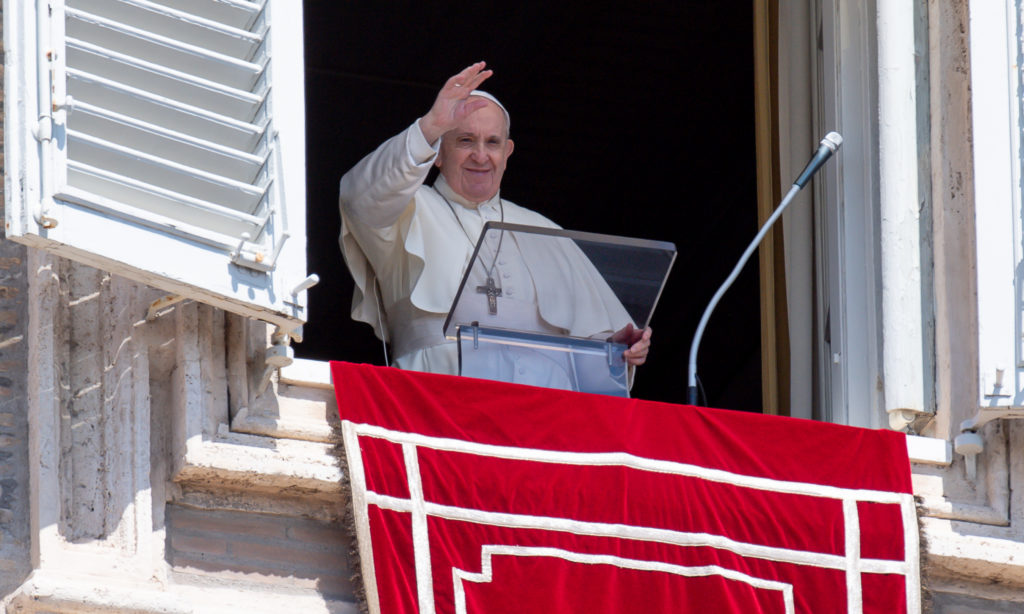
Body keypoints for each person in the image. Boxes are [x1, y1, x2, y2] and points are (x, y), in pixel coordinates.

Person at [338, 61, 652, 387]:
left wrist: (615, 350)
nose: (480, 155)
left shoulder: (544, 229)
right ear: (438, 153)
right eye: (465, 141)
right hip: (437, 392)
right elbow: (359, 198)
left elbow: (590, 353)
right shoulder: (406, 208)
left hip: (541, 407)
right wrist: (430, 126)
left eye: (492, 142)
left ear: (507, 152)